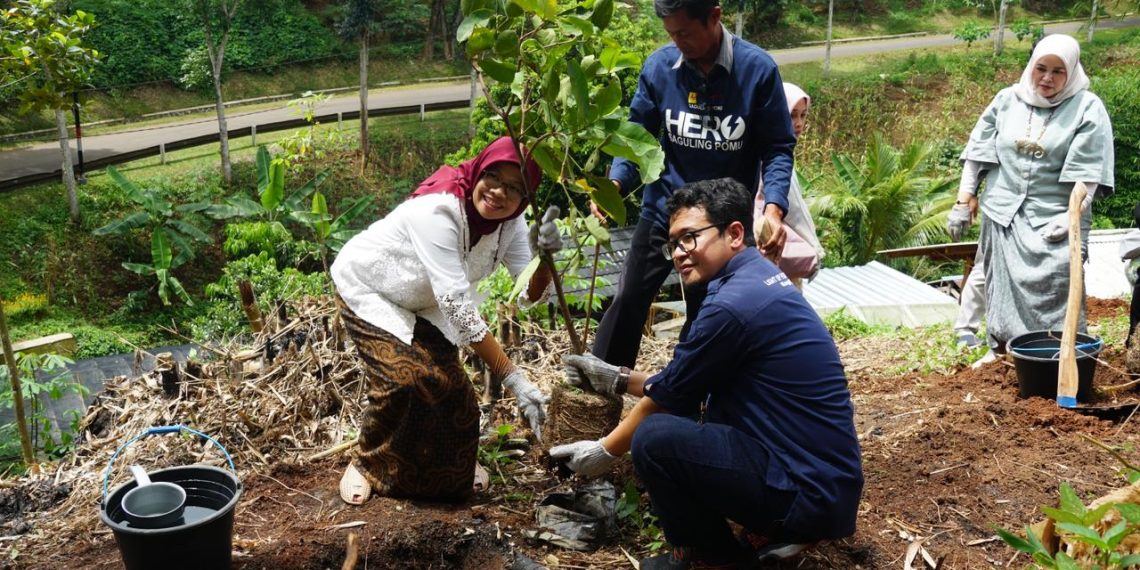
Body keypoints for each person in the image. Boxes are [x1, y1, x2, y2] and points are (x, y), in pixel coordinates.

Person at [552, 178, 863, 569]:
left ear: (734, 233)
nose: (680, 253)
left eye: (690, 238)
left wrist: (604, 450)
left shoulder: (732, 306)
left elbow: (665, 402)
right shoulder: (751, 281)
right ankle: (773, 532)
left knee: (653, 438)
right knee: (691, 418)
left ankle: (709, 558)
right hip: (821, 484)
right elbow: (684, 381)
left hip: (806, 493)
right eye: (673, 244)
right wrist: (615, 376)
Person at [330, 136, 561, 504]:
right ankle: (365, 463)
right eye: (494, 178)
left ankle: (456, 466)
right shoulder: (439, 210)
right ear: (480, 170)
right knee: (402, 382)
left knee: (456, 393)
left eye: (515, 188)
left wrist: (545, 262)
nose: (500, 193)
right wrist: (514, 379)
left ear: (525, 199)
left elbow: (529, 296)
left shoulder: (511, 224)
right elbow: (458, 308)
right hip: (373, 287)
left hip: (426, 300)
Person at [590, 0, 797, 368]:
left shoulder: (757, 70)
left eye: (684, 32)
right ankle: (598, 390)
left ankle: (694, 402)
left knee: (711, 316)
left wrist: (773, 209)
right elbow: (636, 137)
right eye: (670, 33)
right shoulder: (659, 68)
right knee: (627, 300)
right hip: (665, 212)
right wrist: (615, 185)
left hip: (721, 225)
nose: (677, 41)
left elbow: (778, 148)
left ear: (714, 17)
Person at [946, 34, 1115, 352]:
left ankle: (1055, 349)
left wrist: (1071, 217)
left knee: (1058, 281)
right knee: (993, 273)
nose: (1047, 78)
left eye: (1058, 71)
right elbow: (978, 151)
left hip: (1055, 211)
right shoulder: (1007, 99)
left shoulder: (1087, 108)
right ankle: (1001, 345)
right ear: (1030, 66)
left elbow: (1089, 174)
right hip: (1004, 207)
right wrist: (962, 198)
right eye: (1041, 68)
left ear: (1072, 72)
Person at [752, 82, 825, 287]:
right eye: (792, 115)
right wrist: (815, 251)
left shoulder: (756, 153)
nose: (799, 123)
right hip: (778, 260)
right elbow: (795, 211)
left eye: (803, 115)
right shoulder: (777, 164)